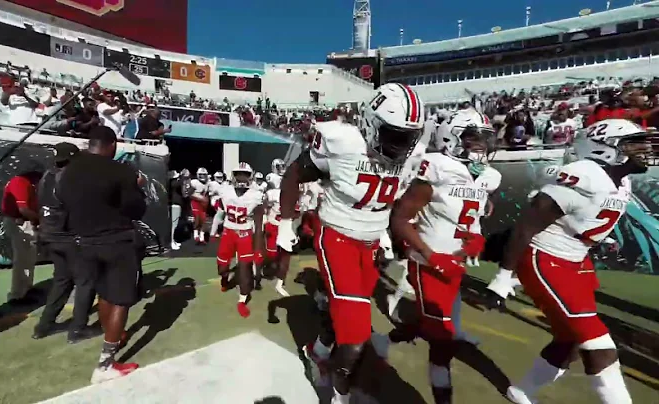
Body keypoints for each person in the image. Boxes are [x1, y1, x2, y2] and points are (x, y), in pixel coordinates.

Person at [485, 119, 656, 404]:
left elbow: (592, 214)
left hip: (576, 259)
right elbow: (527, 225)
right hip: (548, 258)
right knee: (600, 347)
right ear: (607, 149)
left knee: (571, 340)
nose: (645, 148)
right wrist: (504, 276)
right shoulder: (584, 175)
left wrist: (603, 238)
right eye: (634, 143)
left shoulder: (621, 180)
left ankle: (522, 391)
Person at [279, 83, 426, 404]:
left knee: (346, 312)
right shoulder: (343, 141)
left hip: (370, 244)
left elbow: (395, 201)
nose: (402, 145)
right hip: (337, 239)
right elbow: (293, 173)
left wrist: (396, 238)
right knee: (358, 334)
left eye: (408, 136)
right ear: (370, 123)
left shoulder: (412, 154)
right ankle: (336, 394)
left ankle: (319, 349)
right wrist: (285, 222)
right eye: (395, 134)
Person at [390, 108, 501, 403]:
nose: (481, 145)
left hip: (455, 262)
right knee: (443, 339)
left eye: (484, 139)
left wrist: (475, 236)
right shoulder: (437, 167)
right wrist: (430, 254)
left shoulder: (488, 176)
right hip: (428, 262)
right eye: (473, 138)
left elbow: (471, 214)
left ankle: (384, 340)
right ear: (452, 137)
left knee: (435, 325)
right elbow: (400, 218)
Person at [57, 126, 147, 383]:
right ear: (112, 145)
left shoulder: (69, 170)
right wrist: (136, 187)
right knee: (120, 298)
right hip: (116, 241)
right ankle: (106, 364)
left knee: (104, 293)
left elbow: (61, 198)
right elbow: (136, 209)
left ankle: (113, 337)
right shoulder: (120, 171)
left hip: (83, 242)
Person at [33, 142, 102, 343]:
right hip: (69, 236)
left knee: (62, 280)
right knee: (85, 281)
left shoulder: (47, 176)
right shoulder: (73, 178)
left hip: (49, 235)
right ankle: (78, 329)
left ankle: (44, 325)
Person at [211, 163, 265, 318]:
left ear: (251, 176)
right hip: (228, 232)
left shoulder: (257, 195)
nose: (241, 178)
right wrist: (213, 232)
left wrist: (258, 245)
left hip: (245, 234)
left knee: (244, 268)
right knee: (222, 266)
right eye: (239, 174)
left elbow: (260, 222)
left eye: (245, 174)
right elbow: (219, 214)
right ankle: (224, 278)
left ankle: (242, 299)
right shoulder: (225, 191)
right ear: (233, 175)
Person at [1, 167, 43, 305]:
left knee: (29, 257)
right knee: (21, 259)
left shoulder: (25, 184)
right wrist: (39, 221)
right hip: (18, 222)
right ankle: (16, 295)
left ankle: (27, 288)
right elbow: (23, 209)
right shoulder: (20, 182)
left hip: (24, 222)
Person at [189, 167, 210, 244]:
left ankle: (202, 237)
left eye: (204, 174)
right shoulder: (194, 182)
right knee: (197, 218)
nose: (202, 176)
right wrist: (199, 197)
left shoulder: (208, 183)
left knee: (203, 220)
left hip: (203, 204)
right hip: (196, 202)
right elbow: (189, 193)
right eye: (200, 174)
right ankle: (196, 235)